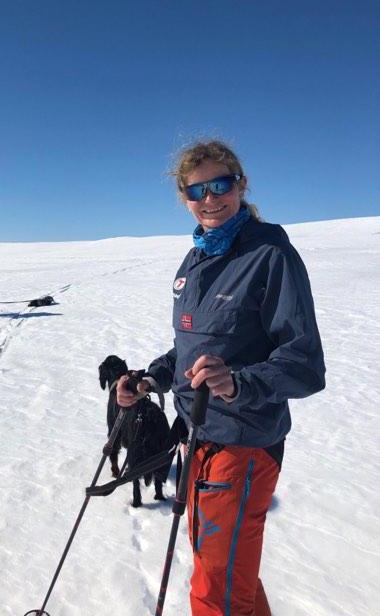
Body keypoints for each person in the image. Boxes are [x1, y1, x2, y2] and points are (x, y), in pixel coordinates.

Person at [116, 140, 325, 616]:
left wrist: (238, 383)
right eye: (197, 190)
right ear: (184, 198)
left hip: (243, 444)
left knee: (216, 588)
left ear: (241, 184)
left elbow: (306, 364)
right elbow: (192, 347)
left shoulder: (270, 253)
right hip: (197, 438)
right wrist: (151, 380)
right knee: (227, 573)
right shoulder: (195, 259)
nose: (209, 198)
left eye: (220, 184)